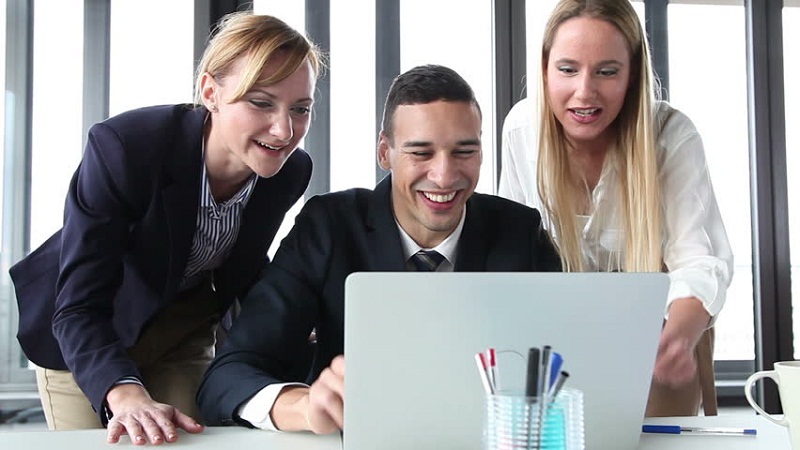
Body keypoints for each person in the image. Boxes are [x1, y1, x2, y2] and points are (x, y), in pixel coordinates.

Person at [9, 12, 322, 444]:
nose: (285, 130)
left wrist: (295, 323)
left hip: (181, 325)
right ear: (211, 92)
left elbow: (245, 262)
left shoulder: (289, 171)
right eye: (261, 102)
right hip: (87, 329)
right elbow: (80, 303)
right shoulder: (127, 147)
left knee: (190, 439)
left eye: (300, 108)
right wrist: (125, 393)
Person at [195, 64, 561, 432]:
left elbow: (569, 366)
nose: (445, 175)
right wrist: (304, 407)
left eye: (464, 151)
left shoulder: (520, 233)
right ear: (384, 152)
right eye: (421, 153)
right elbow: (226, 377)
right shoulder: (329, 228)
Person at [498, 0, 733, 416]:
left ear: (632, 75)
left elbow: (699, 260)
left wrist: (677, 338)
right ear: (545, 69)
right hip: (556, 343)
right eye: (568, 70)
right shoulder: (521, 131)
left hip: (653, 341)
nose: (584, 92)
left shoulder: (670, 135)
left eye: (607, 72)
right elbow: (512, 258)